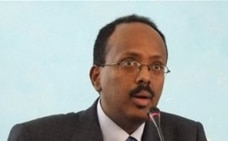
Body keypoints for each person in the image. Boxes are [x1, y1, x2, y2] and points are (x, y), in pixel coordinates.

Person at [8, 14, 207, 141]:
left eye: (156, 66)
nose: (145, 77)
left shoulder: (188, 135)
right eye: (129, 63)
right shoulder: (36, 137)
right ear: (96, 77)